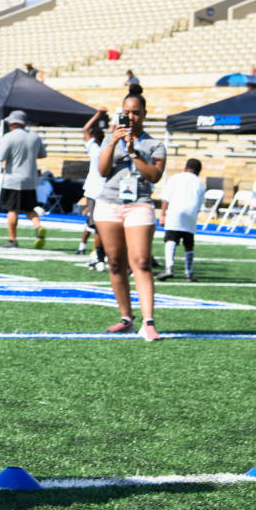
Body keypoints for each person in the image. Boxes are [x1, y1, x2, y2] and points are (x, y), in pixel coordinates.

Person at [96, 93, 167, 341]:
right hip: (108, 203)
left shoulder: (155, 145)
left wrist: (134, 152)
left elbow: (154, 176)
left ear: (144, 114)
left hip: (139, 204)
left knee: (141, 261)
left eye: (136, 112)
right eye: (127, 112)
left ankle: (148, 322)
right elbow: (102, 171)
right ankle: (126, 317)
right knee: (115, 262)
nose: (132, 117)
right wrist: (115, 142)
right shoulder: (109, 139)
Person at [0, 110, 47, 249]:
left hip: (13, 179)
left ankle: (12, 240)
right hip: (30, 179)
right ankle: (38, 226)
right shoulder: (35, 137)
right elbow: (42, 154)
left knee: (12, 210)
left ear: (13, 123)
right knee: (29, 209)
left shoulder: (9, 137)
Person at [158, 158, 205, 282]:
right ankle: (189, 273)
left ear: (185, 167)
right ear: (198, 170)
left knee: (170, 240)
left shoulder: (175, 178)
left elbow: (166, 198)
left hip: (175, 212)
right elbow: (199, 204)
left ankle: (169, 268)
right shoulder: (199, 182)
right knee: (189, 244)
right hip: (191, 213)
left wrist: (162, 214)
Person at [77, 109, 108, 271]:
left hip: (93, 190)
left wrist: (98, 114)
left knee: (95, 225)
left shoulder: (94, 148)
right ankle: (100, 253)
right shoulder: (107, 148)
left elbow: (85, 129)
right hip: (106, 189)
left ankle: (98, 255)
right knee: (102, 224)